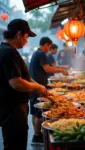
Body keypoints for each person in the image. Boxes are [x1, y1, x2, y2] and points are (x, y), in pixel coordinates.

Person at [0, 19, 49, 150]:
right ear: (19, 34)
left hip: (12, 108)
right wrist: (38, 87)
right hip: (13, 110)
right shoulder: (9, 52)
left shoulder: (8, 50)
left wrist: (40, 86)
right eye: (26, 37)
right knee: (15, 145)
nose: (27, 41)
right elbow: (16, 83)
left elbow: (22, 77)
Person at [29, 37, 68, 145]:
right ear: (46, 44)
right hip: (38, 86)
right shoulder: (41, 53)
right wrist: (62, 70)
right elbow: (48, 69)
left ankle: (37, 135)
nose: (49, 49)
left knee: (34, 111)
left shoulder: (37, 52)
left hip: (35, 85)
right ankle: (37, 137)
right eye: (50, 46)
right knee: (38, 113)